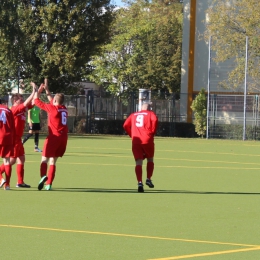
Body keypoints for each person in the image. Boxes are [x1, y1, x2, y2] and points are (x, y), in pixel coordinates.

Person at [32, 79, 68, 191]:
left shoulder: (52, 109)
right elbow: (52, 99)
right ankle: (49, 184)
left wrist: (38, 90)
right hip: (64, 138)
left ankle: (43, 176)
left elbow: (35, 101)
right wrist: (47, 90)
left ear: (56, 101)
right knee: (53, 161)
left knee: (44, 159)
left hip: (54, 137)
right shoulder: (64, 109)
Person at [0, 87, 35, 189]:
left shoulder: (22, 109)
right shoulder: (15, 109)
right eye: (21, 99)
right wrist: (33, 91)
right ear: (15, 100)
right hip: (13, 138)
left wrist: (39, 91)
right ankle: (4, 178)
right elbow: (27, 103)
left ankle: (20, 182)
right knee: (11, 161)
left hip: (18, 138)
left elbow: (32, 103)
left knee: (21, 159)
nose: (23, 100)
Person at [123, 102, 158, 192]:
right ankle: (148, 179)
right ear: (149, 108)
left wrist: (132, 135)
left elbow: (125, 125)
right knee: (150, 159)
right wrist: (152, 132)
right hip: (147, 139)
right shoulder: (151, 114)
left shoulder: (133, 115)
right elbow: (155, 120)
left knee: (138, 162)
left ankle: (139, 182)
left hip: (136, 141)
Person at [0, 96, 16, 190]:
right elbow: (13, 127)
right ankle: (8, 185)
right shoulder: (8, 110)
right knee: (6, 161)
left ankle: (1, 179)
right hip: (8, 137)